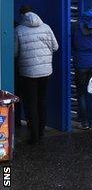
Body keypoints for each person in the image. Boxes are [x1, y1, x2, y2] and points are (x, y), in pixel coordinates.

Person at [14, 8, 58, 145]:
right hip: (46, 71)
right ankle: (41, 131)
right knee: (42, 101)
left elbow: (14, 52)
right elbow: (56, 47)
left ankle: (34, 136)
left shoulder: (19, 30)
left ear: (22, 16)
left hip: (28, 73)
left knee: (31, 103)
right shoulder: (46, 27)